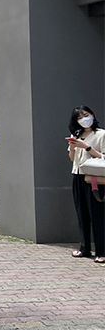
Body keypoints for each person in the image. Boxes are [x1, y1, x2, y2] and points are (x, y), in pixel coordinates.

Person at [66, 105, 105, 263]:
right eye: (79, 118)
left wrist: (87, 147)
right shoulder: (76, 134)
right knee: (82, 214)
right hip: (77, 176)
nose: (84, 119)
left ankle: (101, 251)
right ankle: (84, 248)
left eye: (86, 115)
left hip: (94, 177)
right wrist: (73, 148)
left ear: (93, 115)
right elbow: (72, 159)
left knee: (97, 215)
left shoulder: (101, 134)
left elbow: (103, 156)